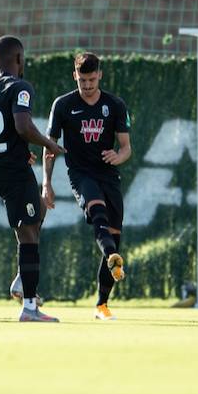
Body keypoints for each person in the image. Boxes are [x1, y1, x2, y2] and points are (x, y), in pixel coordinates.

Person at [0, 35, 65, 323]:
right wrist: (48, 144)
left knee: (39, 209)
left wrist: (2, 150)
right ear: (19, 59)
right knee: (28, 233)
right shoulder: (20, 86)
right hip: (11, 169)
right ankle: (30, 307)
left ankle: (22, 278)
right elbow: (23, 125)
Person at [42, 52, 131, 321]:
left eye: (92, 80)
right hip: (80, 174)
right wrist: (46, 183)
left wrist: (119, 155)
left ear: (100, 75)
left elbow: (126, 147)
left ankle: (102, 305)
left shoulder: (115, 105)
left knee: (113, 233)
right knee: (97, 211)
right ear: (75, 77)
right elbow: (49, 147)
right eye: (83, 81)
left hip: (109, 174)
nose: (88, 86)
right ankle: (112, 255)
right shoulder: (63, 105)